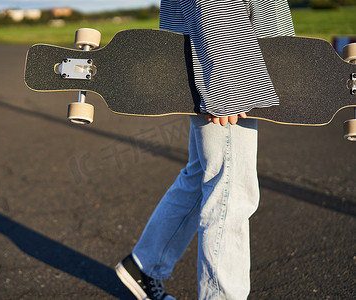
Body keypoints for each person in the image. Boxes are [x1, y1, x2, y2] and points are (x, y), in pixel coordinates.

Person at [115, 1, 295, 299]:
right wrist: (227, 82)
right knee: (231, 191)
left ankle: (145, 264)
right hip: (228, 63)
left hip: (228, 58)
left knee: (205, 174)